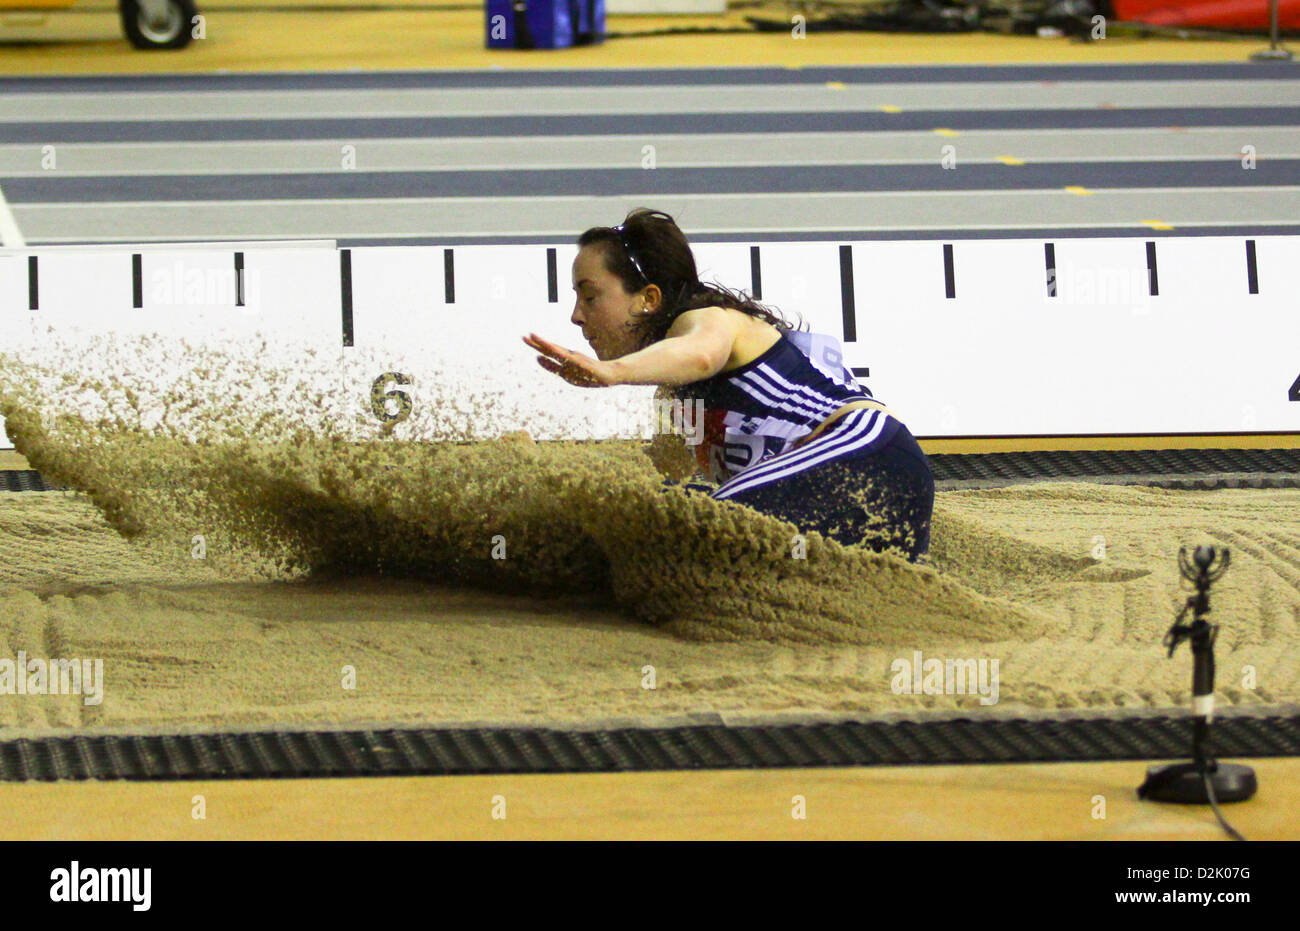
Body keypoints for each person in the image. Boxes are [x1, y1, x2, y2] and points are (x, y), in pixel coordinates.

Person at [522, 208, 933, 563]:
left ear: (648, 298)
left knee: (697, 527)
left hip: (869, 458)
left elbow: (701, 354)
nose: (576, 316)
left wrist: (612, 372)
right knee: (652, 529)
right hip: (858, 510)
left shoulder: (708, 319)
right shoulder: (672, 394)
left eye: (589, 296)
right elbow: (666, 483)